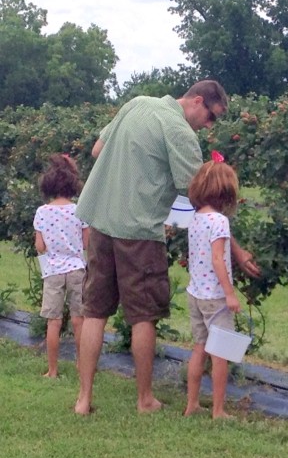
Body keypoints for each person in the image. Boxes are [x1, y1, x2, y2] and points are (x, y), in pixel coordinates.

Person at [74, 80, 260, 415]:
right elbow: (202, 198)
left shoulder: (137, 103)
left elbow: (98, 150)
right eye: (210, 117)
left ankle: (83, 399)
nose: (208, 126)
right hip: (139, 230)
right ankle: (145, 399)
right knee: (143, 315)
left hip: (100, 220)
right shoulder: (180, 132)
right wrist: (237, 249)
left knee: (94, 311)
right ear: (197, 100)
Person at [183, 159, 242, 419]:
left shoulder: (195, 218)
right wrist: (229, 293)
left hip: (195, 293)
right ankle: (218, 410)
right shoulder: (219, 221)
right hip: (215, 297)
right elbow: (218, 259)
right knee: (220, 355)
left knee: (199, 348)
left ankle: (192, 404)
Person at [33, 154, 89, 378]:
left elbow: (40, 247)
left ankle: (53, 370)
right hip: (77, 268)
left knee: (53, 321)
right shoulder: (80, 210)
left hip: (53, 270)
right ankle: (81, 365)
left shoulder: (42, 212)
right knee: (79, 320)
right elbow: (87, 242)